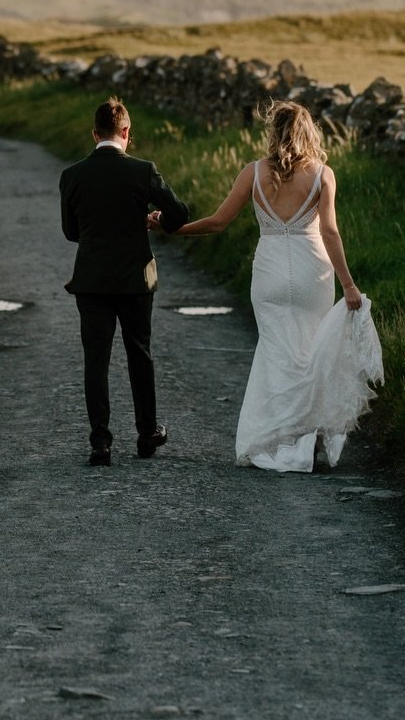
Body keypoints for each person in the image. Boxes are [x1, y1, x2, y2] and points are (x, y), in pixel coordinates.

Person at [150, 100, 382, 471]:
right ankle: (305, 444)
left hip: (270, 274)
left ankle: (275, 442)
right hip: (313, 273)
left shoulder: (253, 173)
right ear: (309, 133)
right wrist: (349, 285)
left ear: (274, 133)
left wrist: (173, 229)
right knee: (309, 354)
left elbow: (217, 222)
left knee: (276, 353)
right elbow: (330, 231)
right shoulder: (324, 174)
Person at [60, 97, 191, 465]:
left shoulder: (72, 175)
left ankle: (100, 442)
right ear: (126, 132)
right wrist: (156, 220)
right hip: (135, 279)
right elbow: (179, 214)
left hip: (91, 280)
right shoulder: (143, 171)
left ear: (94, 134)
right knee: (140, 354)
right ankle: (147, 433)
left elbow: (72, 232)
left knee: (96, 360)